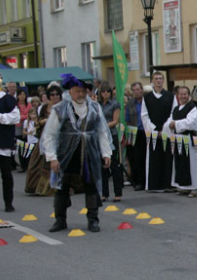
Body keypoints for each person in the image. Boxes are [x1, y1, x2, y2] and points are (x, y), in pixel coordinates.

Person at [42, 74, 112, 233]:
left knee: (92, 187)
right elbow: (50, 134)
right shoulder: (60, 109)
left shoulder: (95, 107)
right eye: (77, 91)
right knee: (62, 187)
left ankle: (93, 219)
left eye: (83, 91)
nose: (80, 94)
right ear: (70, 92)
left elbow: (102, 132)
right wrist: (52, 157)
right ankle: (60, 220)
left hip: (89, 154)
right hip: (67, 154)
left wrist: (106, 153)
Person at [142, 72, 175, 192]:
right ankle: (155, 184)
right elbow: (144, 116)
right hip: (153, 134)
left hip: (167, 132)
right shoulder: (147, 97)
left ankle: (168, 184)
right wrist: (154, 130)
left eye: (161, 78)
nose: (159, 81)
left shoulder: (171, 96)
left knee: (168, 158)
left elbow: (173, 113)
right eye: (156, 79)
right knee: (154, 158)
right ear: (152, 80)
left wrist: (165, 129)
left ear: (164, 80)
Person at [165, 86, 197, 196]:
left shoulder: (192, 107)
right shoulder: (176, 109)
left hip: (188, 138)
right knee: (180, 162)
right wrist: (170, 124)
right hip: (177, 138)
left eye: (185, 94)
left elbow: (191, 122)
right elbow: (168, 122)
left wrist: (175, 124)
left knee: (191, 163)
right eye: (181, 94)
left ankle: (194, 187)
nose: (183, 96)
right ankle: (184, 186)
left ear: (189, 95)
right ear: (177, 95)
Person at [0, 74, 19, 212]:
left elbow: (15, 117)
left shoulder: (7, 99)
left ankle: (8, 202)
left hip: (3, 139)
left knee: (6, 174)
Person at [98, 82, 124, 202]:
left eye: (108, 91)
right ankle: (104, 193)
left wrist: (103, 126)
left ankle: (118, 192)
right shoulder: (97, 105)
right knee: (102, 165)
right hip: (99, 136)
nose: (105, 93)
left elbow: (115, 121)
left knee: (114, 165)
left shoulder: (114, 104)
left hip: (111, 135)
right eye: (103, 91)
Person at [125, 82, 147, 191]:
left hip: (147, 132)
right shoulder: (130, 104)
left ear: (142, 90)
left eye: (138, 89)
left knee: (146, 157)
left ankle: (148, 180)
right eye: (134, 90)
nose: (136, 92)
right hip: (136, 132)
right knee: (137, 158)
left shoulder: (147, 101)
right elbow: (127, 120)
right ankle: (139, 181)